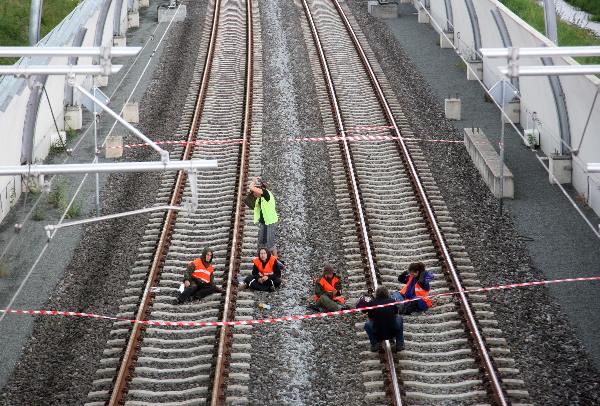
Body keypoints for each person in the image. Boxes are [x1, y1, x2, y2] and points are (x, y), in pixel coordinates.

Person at [363, 285, 404, 352]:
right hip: (392, 332)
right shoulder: (392, 301)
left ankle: (375, 344)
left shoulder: (372, 303)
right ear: (387, 293)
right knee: (400, 318)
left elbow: (370, 318)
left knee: (367, 324)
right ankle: (400, 344)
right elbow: (397, 314)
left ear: (376, 294)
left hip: (377, 333)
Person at [249, 177, 278, 251]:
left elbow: (251, 187)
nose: (253, 194)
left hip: (269, 222)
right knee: (261, 242)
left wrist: (254, 181)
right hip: (263, 222)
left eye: (254, 193)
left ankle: (275, 259)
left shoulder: (266, 193)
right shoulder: (260, 198)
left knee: (270, 243)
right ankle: (263, 257)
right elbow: (251, 203)